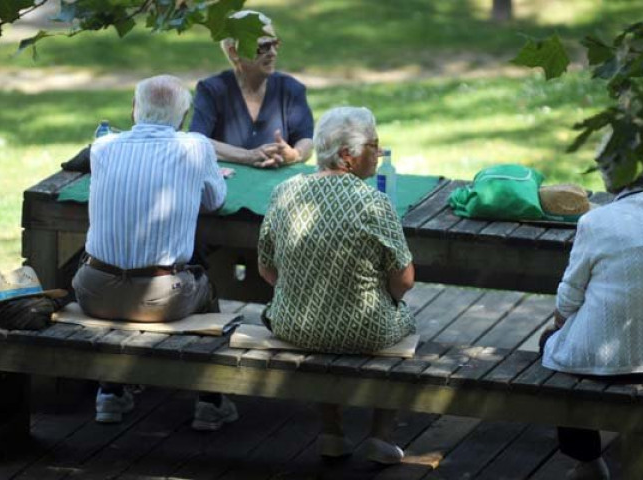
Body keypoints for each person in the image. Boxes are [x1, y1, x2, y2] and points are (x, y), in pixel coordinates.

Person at [72, 75, 238, 431]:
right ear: (184, 116)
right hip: (162, 300)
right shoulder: (195, 147)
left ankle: (109, 393)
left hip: (93, 291)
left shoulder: (103, 148)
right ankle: (209, 400)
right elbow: (215, 200)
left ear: (134, 110)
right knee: (206, 285)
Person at [257, 106, 415, 464]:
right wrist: (387, 299)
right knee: (404, 323)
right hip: (367, 328)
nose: (379, 152)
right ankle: (381, 436)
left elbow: (267, 270)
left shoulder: (284, 192)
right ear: (348, 155)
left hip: (293, 325)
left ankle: (332, 432)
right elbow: (404, 280)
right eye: (374, 145)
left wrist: (301, 286)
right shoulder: (375, 203)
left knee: (325, 326)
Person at [540, 158, 643, 480]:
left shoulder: (595, 221)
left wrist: (557, 325)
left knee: (551, 347)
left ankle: (588, 461)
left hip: (610, 359)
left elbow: (569, 297)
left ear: (609, 179)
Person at [190, 10, 314, 168]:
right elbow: (197, 141)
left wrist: (294, 155)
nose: (273, 53)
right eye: (263, 46)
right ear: (234, 52)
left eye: (275, 44)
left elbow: (306, 140)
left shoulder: (291, 89)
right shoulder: (212, 90)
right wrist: (248, 156)